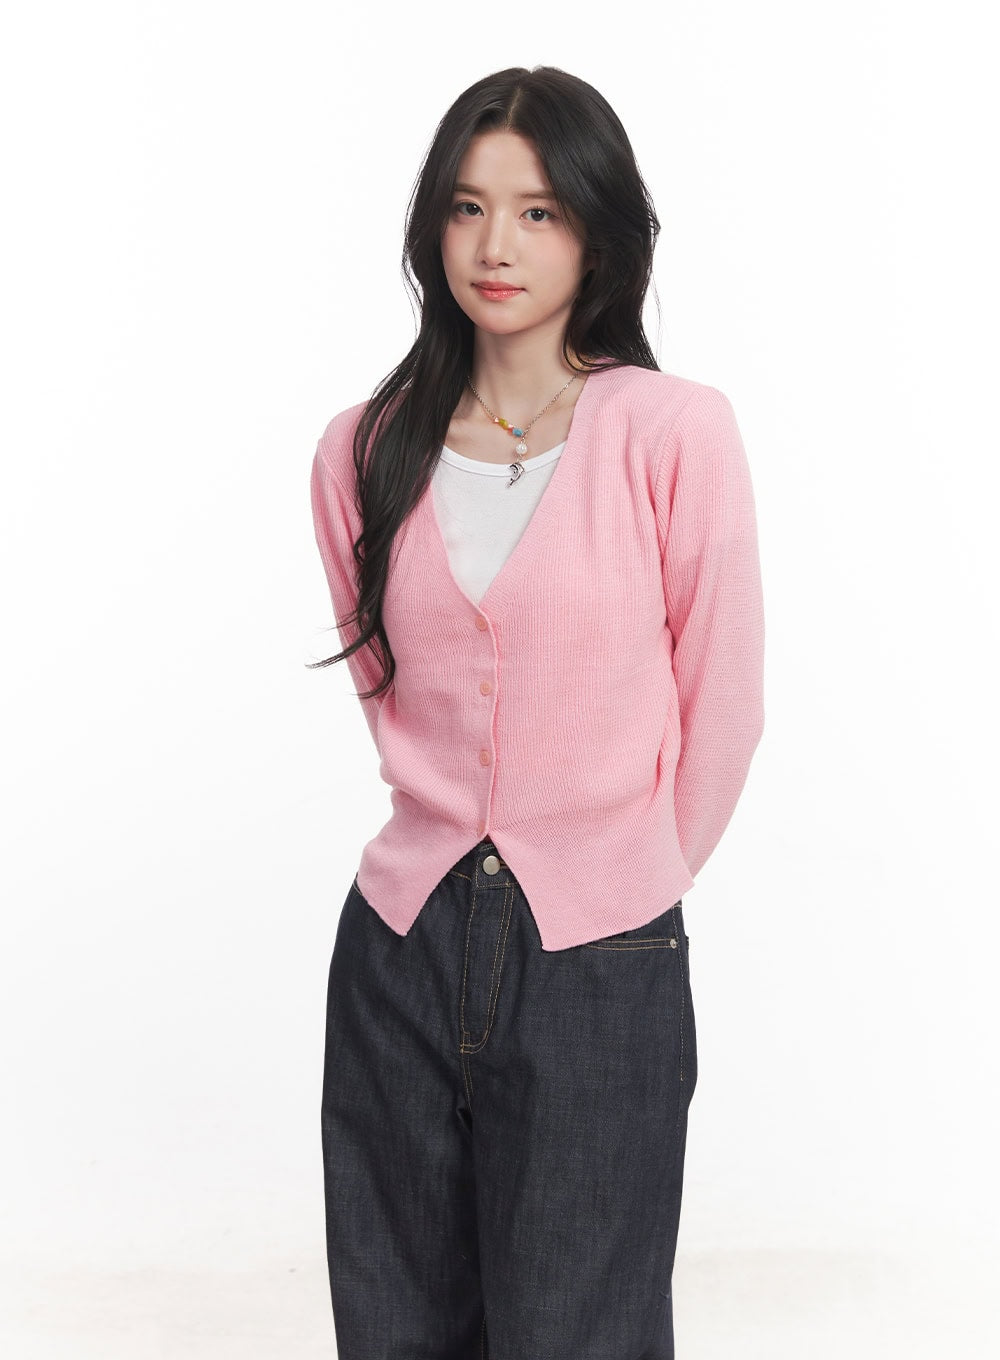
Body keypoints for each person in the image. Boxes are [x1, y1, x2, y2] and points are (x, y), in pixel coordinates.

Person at [308, 65, 765, 1360]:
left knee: (581, 1333)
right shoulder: (361, 450)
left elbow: (726, 699)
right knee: (396, 1330)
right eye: (467, 208)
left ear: (598, 232)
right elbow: (391, 690)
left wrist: (626, 885)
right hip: (398, 942)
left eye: (538, 211)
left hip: (600, 955)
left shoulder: (671, 432)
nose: (495, 245)